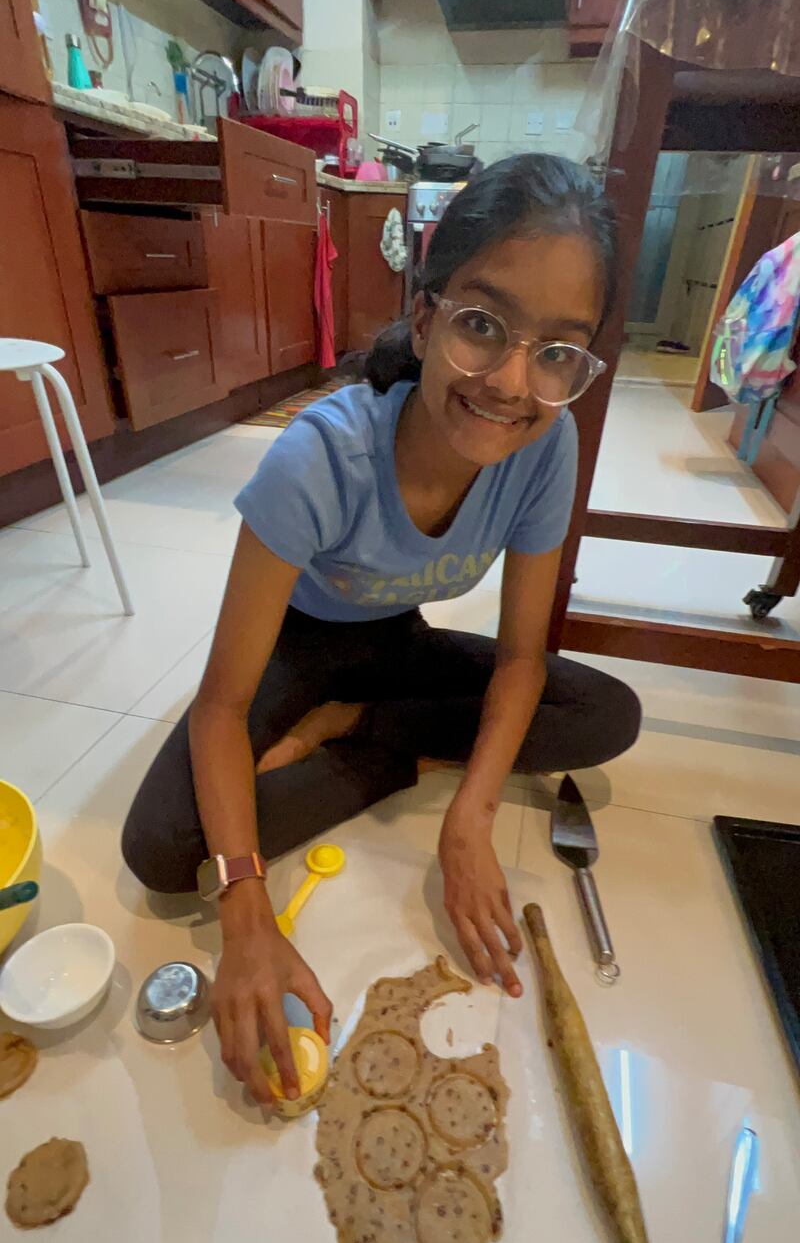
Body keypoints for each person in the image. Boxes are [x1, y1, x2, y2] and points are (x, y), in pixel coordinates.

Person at [122, 153, 641, 1105]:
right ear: (426, 316)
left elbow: (523, 658)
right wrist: (247, 915)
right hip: (302, 639)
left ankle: (362, 731)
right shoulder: (317, 459)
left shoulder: (547, 445)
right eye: (482, 325)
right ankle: (373, 738)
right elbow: (219, 705)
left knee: (605, 713)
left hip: (394, 641)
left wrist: (470, 818)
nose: (511, 382)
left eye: (556, 350)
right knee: (161, 849)